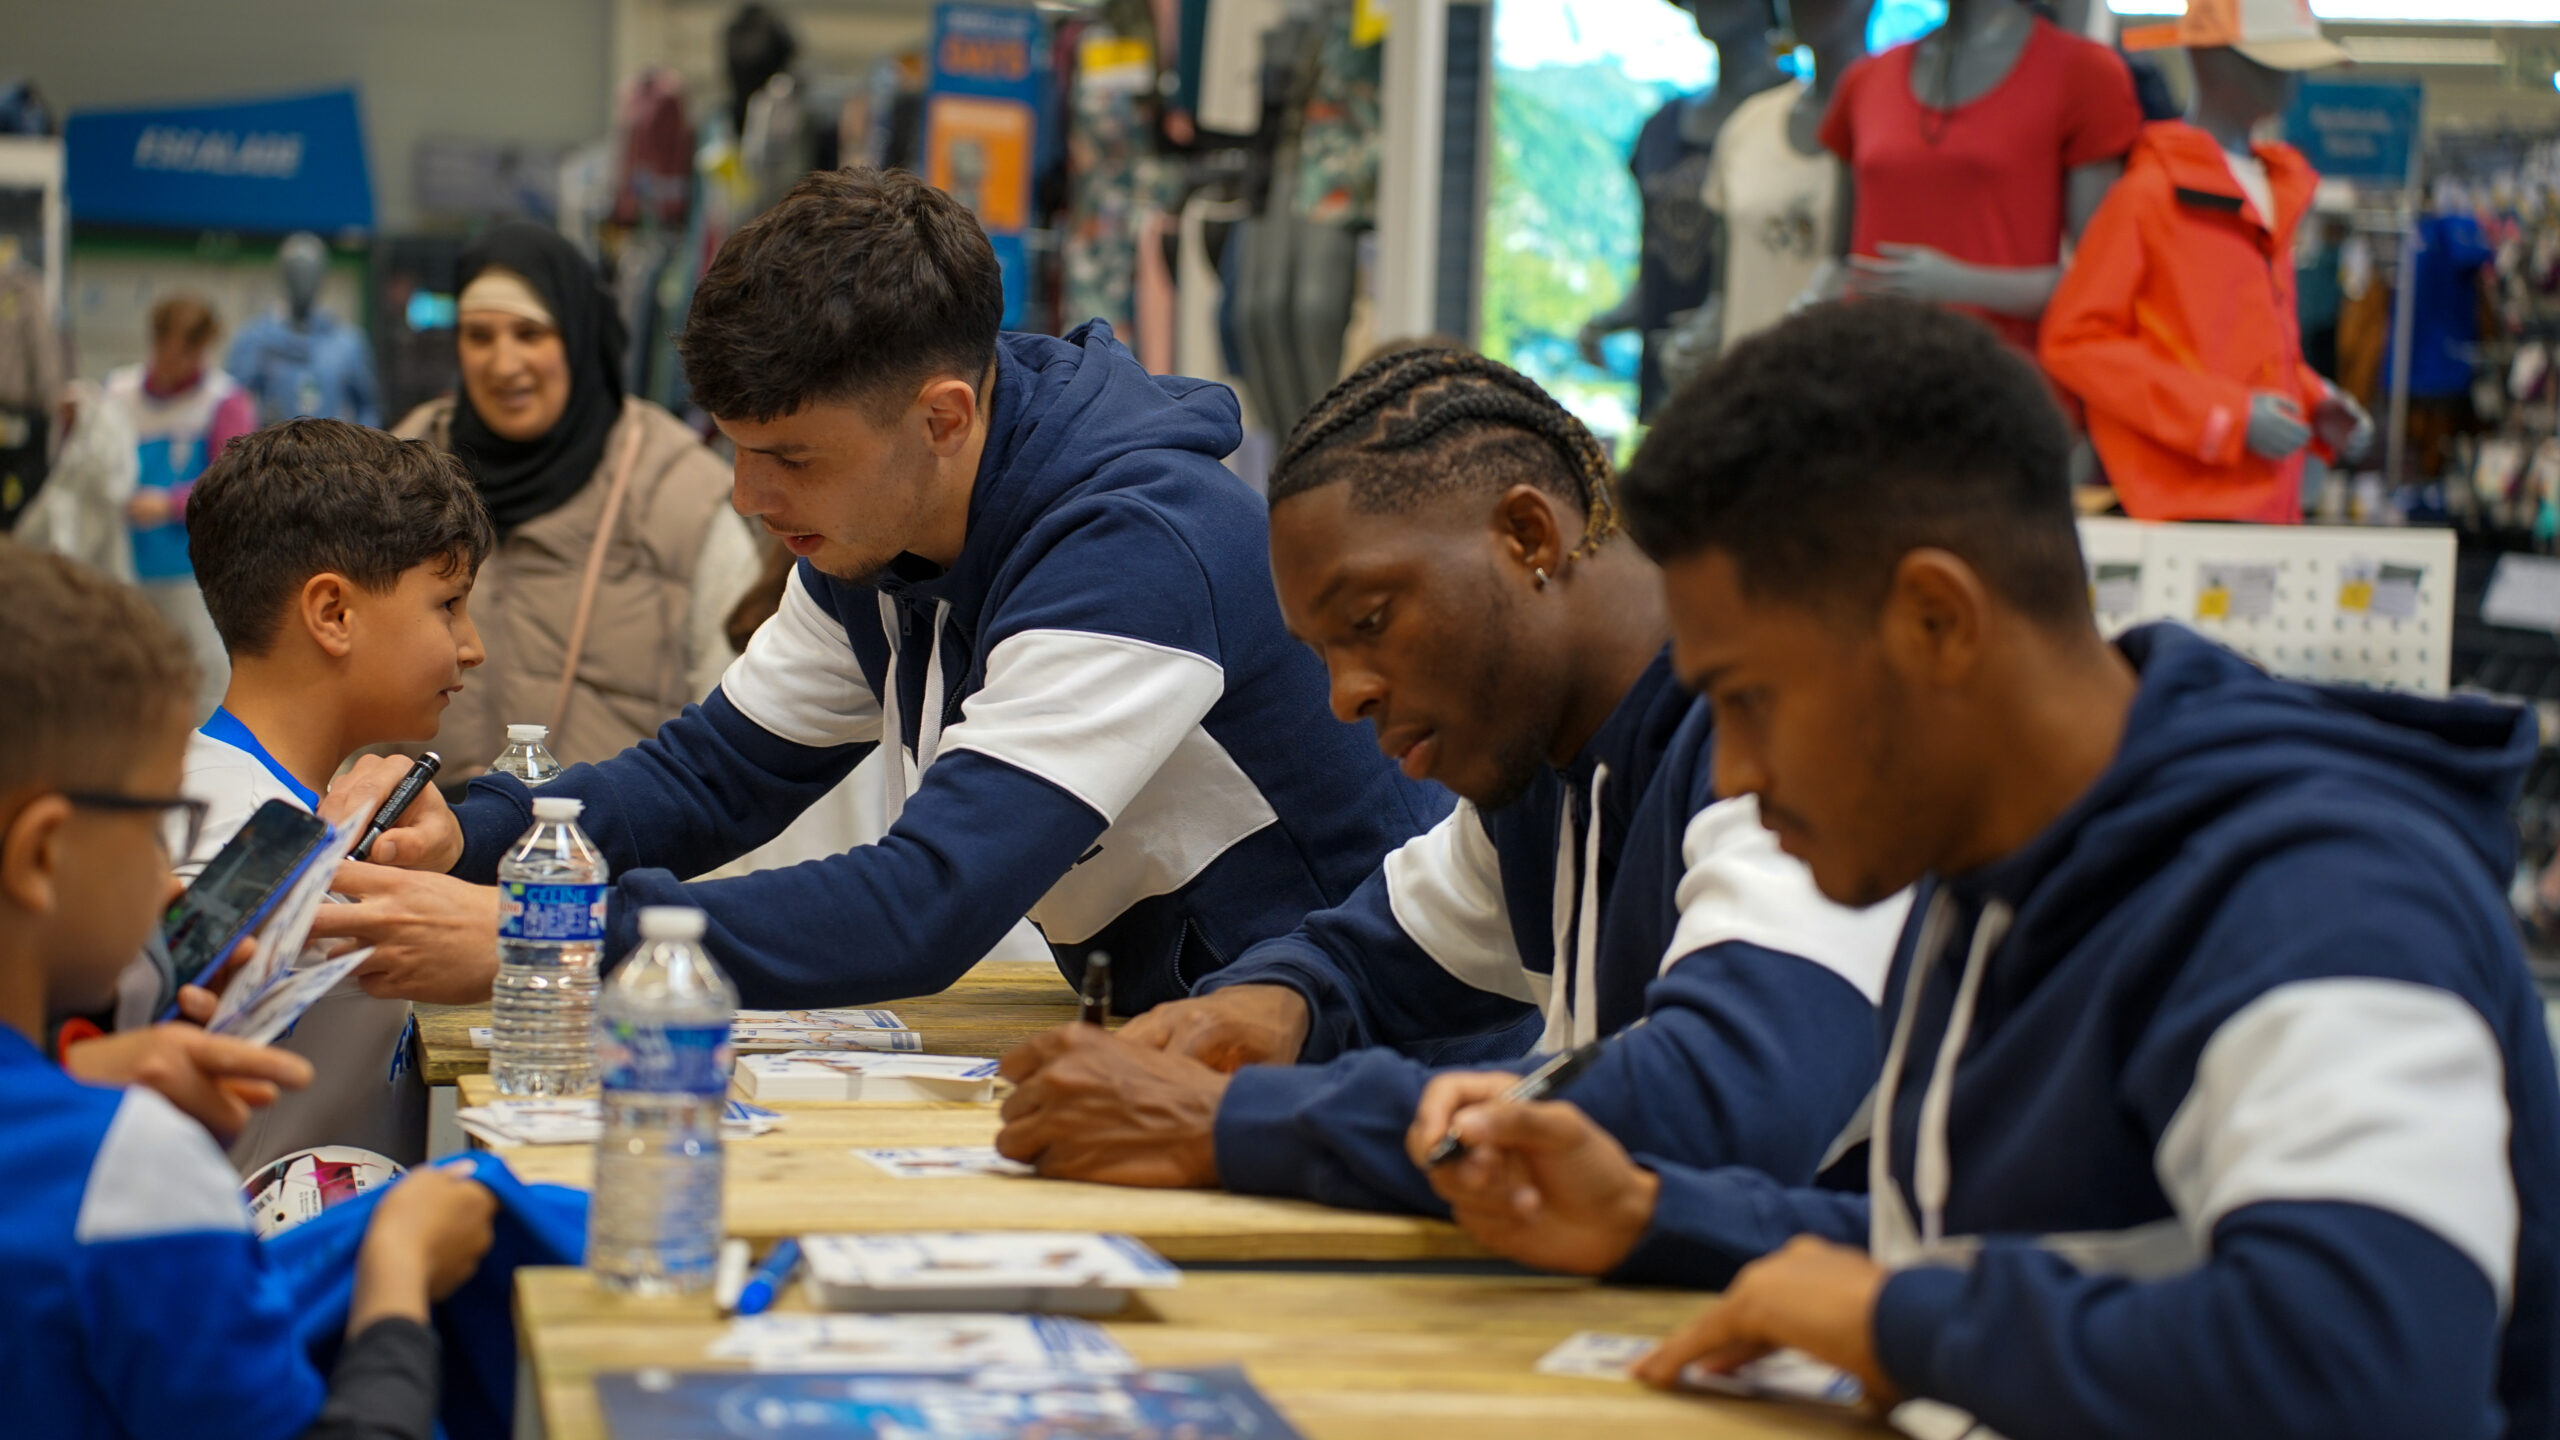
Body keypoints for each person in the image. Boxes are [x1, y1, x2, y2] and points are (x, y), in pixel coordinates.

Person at [1416, 299, 2560, 1440]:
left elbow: (2368, 1371)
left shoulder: (2318, 900)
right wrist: (1658, 1217)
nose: (1733, 775)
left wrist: (1897, 1325)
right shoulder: (1992, 866)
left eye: (1752, 702)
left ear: (1935, 621)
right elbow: (1990, 1258)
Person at [318, 166, 1445, 1018]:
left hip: (1362, 1048)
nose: (748, 498)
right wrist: (469, 840)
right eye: (737, 450)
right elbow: (717, 773)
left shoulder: (1134, 547)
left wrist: (554, 933)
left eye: (791, 458)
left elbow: (929, 903)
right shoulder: (881, 529)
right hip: (1175, 1030)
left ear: (943, 418)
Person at [993, 346, 1904, 1203]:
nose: (1346, 696)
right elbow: (1368, 952)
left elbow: (1724, 1104)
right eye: (1324, 652)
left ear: (1527, 536)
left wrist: (1235, 1122)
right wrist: (1266, 1006)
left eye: (1373, 619)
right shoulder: (1545, 769)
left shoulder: (1778, 748)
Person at [0, 536, 499, 1439]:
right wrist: (395, 1275)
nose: (170, 880)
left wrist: (84, 1070)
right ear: (41, 855)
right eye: (163, 824)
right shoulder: (127, 1174)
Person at [174, 418, 493, 1173]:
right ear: (333, 615)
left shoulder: (288, 804)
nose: (471, 644)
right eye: (447, 604)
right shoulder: (230, 834)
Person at [392, 221, 758, 777]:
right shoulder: (397, 476)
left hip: (608, 855)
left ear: (577, 334)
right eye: (478, 336)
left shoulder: (675, 491)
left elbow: (743, 717)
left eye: (530, 334)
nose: (503, 364)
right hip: (411, 853)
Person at [2040, 1, 2371, 522]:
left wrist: (2314, 399)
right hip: (2183, 507)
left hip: (2265, 506)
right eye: (2269, 60)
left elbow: (2248, 345)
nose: (2289, 78)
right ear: (2207, 58)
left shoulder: (2269, 192)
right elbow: (2076, 341)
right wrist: (2226, 415)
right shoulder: (2151, 195)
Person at [103, 292, 257, 720]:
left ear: (203, 349)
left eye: (184, 353)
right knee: (126, 678)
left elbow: (232, 481)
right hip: (123, 568)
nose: (171, 364)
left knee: (203, 678)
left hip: (190, 573)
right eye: (164, 350)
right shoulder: (117, 392)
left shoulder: (224, 401)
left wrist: (171, 504)